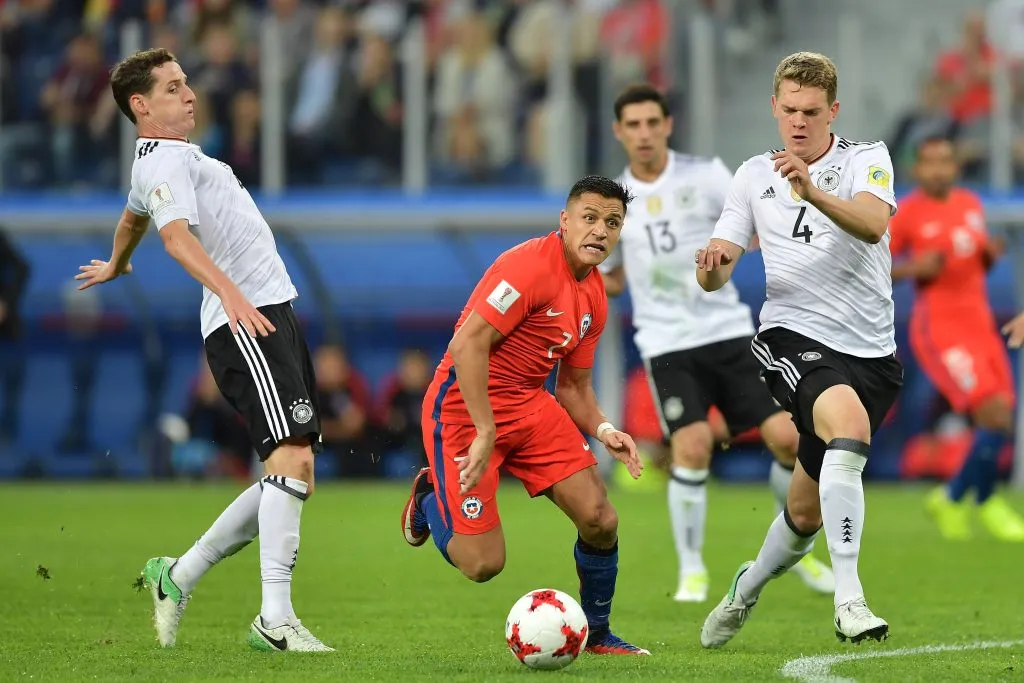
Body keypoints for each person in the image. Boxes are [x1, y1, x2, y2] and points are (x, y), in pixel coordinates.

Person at [74, 48, 331, 652]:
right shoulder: (162, 159)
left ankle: (178, 575)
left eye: (186, 82)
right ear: (140, 106)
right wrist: (230, 294)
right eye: (172, 87)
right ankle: (274, 620)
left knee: (295, 472)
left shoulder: (164, 160)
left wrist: (117, 261)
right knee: (290, 464)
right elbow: (174, 239)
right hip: (245, 317)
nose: (189, 94)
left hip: (268, 311)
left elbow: (135, 218)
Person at [695, 52, 903, 647]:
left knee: (806, 514)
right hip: (791, 335)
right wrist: (711, 269)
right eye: (789, 110)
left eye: (812, 112)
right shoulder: (751, 176)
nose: (799, 122)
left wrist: (810, 190)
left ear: (832, 111)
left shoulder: (867, 159)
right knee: (849, 426)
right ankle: (850, 601)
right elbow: (720, 266)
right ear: (774, 108)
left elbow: (872, 225)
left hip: (871, 355)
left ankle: (746, 587)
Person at [601, 82, 834, 602]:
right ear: (619, 132)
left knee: (789, 440)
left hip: (727, 332)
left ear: (667, 125)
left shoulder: (704, 175)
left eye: (651, 123)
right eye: (632, 125)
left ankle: (797, 552)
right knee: (693, 444)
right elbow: (614, 275)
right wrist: (584, 279)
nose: (643, 133)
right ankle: (692, 570)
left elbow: (752, 219)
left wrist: (729, 252)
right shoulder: (614, 201)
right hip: (666, 343)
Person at [399, 175, 650, 656]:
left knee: (600, 518)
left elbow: (573, 386)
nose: (600, 230)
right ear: (565, 220)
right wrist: (486, 428)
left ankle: (596, 635)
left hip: (530, 404)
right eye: (590, 218)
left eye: (612, 223)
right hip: (463, 409)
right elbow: (466, 344)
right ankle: (431, 496)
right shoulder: (530, 267)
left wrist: (604, 428)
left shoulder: (595, 295)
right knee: (482, 564)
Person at [889, 136, 1024, 542]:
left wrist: (987, 256)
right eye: (930, 162)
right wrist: (913, 268)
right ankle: (974, 499)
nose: (939, 169)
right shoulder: (907, 213)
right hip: (941, 328)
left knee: (1001, 418)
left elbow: (972, 260)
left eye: (946, 161)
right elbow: (876, 267)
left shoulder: (970, 204)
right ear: (917, 169)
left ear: (955, 166)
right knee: (993, 413)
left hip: (980, 324)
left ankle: (961, 499)